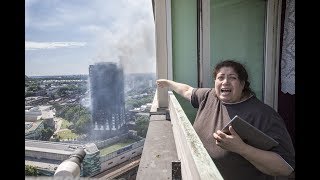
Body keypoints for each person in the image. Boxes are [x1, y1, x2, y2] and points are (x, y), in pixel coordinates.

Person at [156, 60, 295, 180]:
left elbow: (286, 168)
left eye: (232, 78)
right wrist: (168, 83)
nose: (225, 82)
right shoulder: (209, 96)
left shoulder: (264, 115)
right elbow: (187, 90)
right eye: (220, 77)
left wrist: (242, 149)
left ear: (243, 84)